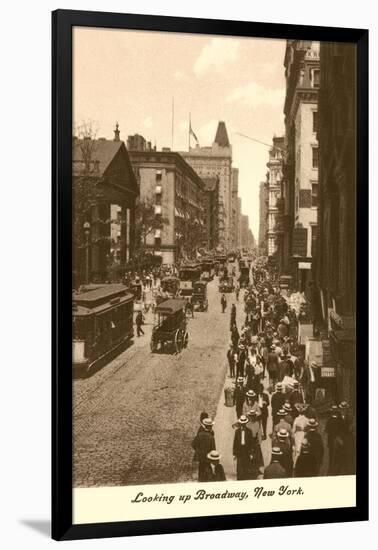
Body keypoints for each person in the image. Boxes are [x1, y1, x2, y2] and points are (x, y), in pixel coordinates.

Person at [191, 417, 216, 482]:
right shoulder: (211, 437)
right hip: (208, 457)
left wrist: (198, 450)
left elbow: (193, 444)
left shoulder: (199, 435)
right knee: (208, 471)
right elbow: (213, 449)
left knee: (201, 469)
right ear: (210, 427)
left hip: (200, 457)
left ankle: (200, 480)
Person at [233, 415, 254, 480]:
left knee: (246, 466)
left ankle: (246, 478)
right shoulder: (237, 432)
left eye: (244, 424)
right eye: (242, 424)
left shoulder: (249, 431)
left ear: (246, 423)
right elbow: (235, 443)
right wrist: (234, 453)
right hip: (239, 450)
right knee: (239, 467)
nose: (243, 425)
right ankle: (239, 479)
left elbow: (251, 443)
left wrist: (251, 453)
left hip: (246, 450)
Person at [325, 405, 340, 475]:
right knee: (337, 454)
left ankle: (331, 468)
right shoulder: (340, 420)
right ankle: (336, 469)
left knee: (331, 454)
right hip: (338, 440)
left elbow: (327, 430)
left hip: (331, 439)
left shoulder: (329, 420)